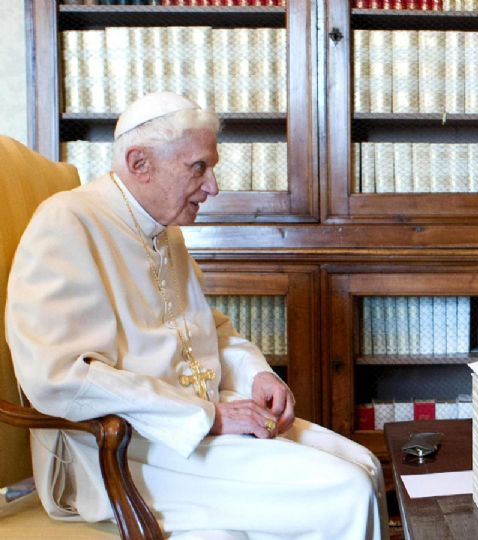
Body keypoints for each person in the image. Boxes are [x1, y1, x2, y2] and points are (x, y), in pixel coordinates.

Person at [5, 92, 388, 539]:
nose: (213, 186)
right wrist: (208, 417)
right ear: (139, 162)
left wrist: (258, 375)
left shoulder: (161, 230)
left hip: (192, 427)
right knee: (346, 490)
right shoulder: (66, 222)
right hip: (124, 448)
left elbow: (208, 329)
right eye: (199, 167)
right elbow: (59, 377)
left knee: (365, 465)